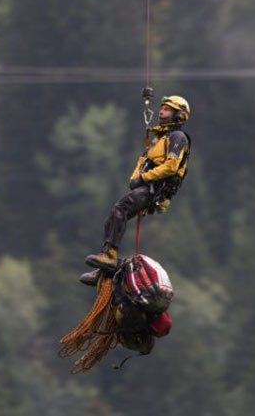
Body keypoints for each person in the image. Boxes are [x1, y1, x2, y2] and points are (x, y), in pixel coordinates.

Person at [80, 95, 191, 285]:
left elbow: (171, 166)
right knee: (112, 218)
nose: (161, 112)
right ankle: (104, 270)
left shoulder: (177, 137)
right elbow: (144, 160)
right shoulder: (159, 138)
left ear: (179, 115)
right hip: (147, 185)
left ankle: (109, 256)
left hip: (156, 189)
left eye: (167, 109)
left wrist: (143, 178)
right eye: (162, 108)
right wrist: (135, 178)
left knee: (121, 208)